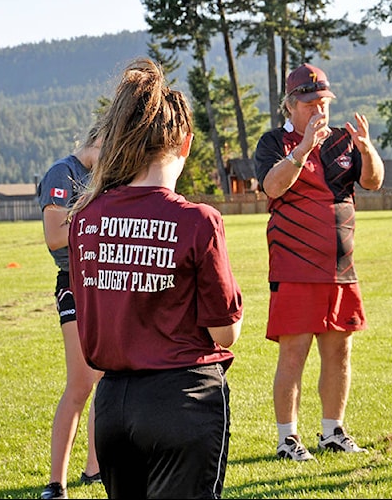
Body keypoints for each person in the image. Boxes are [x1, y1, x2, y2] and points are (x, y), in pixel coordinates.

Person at [68, 57, 243, 499]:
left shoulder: (85, 217)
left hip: (111, 407)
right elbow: (225, 331)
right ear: (185, 142)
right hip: (182, 399)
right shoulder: (199, 220)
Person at [253, 62, 384, 461]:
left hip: (341, 269)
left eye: (323, 102)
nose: (318, 110)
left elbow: (373, 182)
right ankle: (287, 438)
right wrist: (303, 147)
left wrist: (367, 149)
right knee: (293, 352)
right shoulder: (274, 142)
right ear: (290, 106)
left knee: (339, 351)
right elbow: (272, 187)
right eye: (309, 103)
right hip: (295, 266)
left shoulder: (344, 141)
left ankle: (333, 431)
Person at [36, 123, 104, 500]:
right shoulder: (64, 172)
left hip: (102, 281)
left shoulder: (103, 174)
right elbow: (54, 235)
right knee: (80, 384)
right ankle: (55, 483)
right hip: (74, 282)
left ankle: (95, 469)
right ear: (97, 140)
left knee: (106, 377)